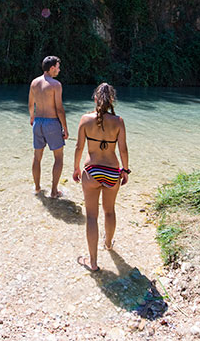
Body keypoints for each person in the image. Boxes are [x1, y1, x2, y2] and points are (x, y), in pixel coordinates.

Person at [73, 83, 129, 272]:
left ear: (95, 99)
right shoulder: (118, 121)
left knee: (91, 216)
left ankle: (94, 262)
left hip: (92, 171)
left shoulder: (85, 119)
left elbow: (79, 147)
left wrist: (76, 168)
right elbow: (123, 149)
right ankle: (108, 245)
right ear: (112, 100)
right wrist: (125, 170)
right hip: (112, 171)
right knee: (110, 211)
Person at [29, 55, 68, 198]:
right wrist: (65, 127)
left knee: (37, 157)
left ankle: (37, 188)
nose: (59, 70)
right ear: (52, 68)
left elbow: (30, 104)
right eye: (57, 67)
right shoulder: (55, 85)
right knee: (58, 158)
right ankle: (54, 191)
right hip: (52, 123)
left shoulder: (34, 83)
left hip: (38, 122)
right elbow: (59, 109)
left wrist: (32, 117)